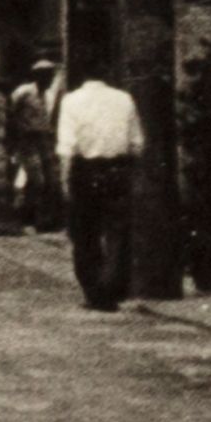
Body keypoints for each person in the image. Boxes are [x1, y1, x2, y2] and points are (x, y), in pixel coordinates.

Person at [55, 75, 145, 311]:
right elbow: (137, 144)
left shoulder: (71, 101)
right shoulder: (124, 99)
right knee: (117, 230)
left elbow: (67, 146)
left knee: (85, 234)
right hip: (117, 170)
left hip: (85, 171)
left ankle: (94, 291)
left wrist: (64, 180)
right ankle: (112, 285)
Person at [13, 60, 64, 235]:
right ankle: (28, 216)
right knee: (37, 178)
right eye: (46, 75)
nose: (49, 79)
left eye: (51, 75)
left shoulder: (49, 96)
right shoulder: (23, 92)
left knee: (52, 178)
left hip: (45, 138)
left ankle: (45, 218)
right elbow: (11, 112)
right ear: (37, 75)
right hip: (27, 138)